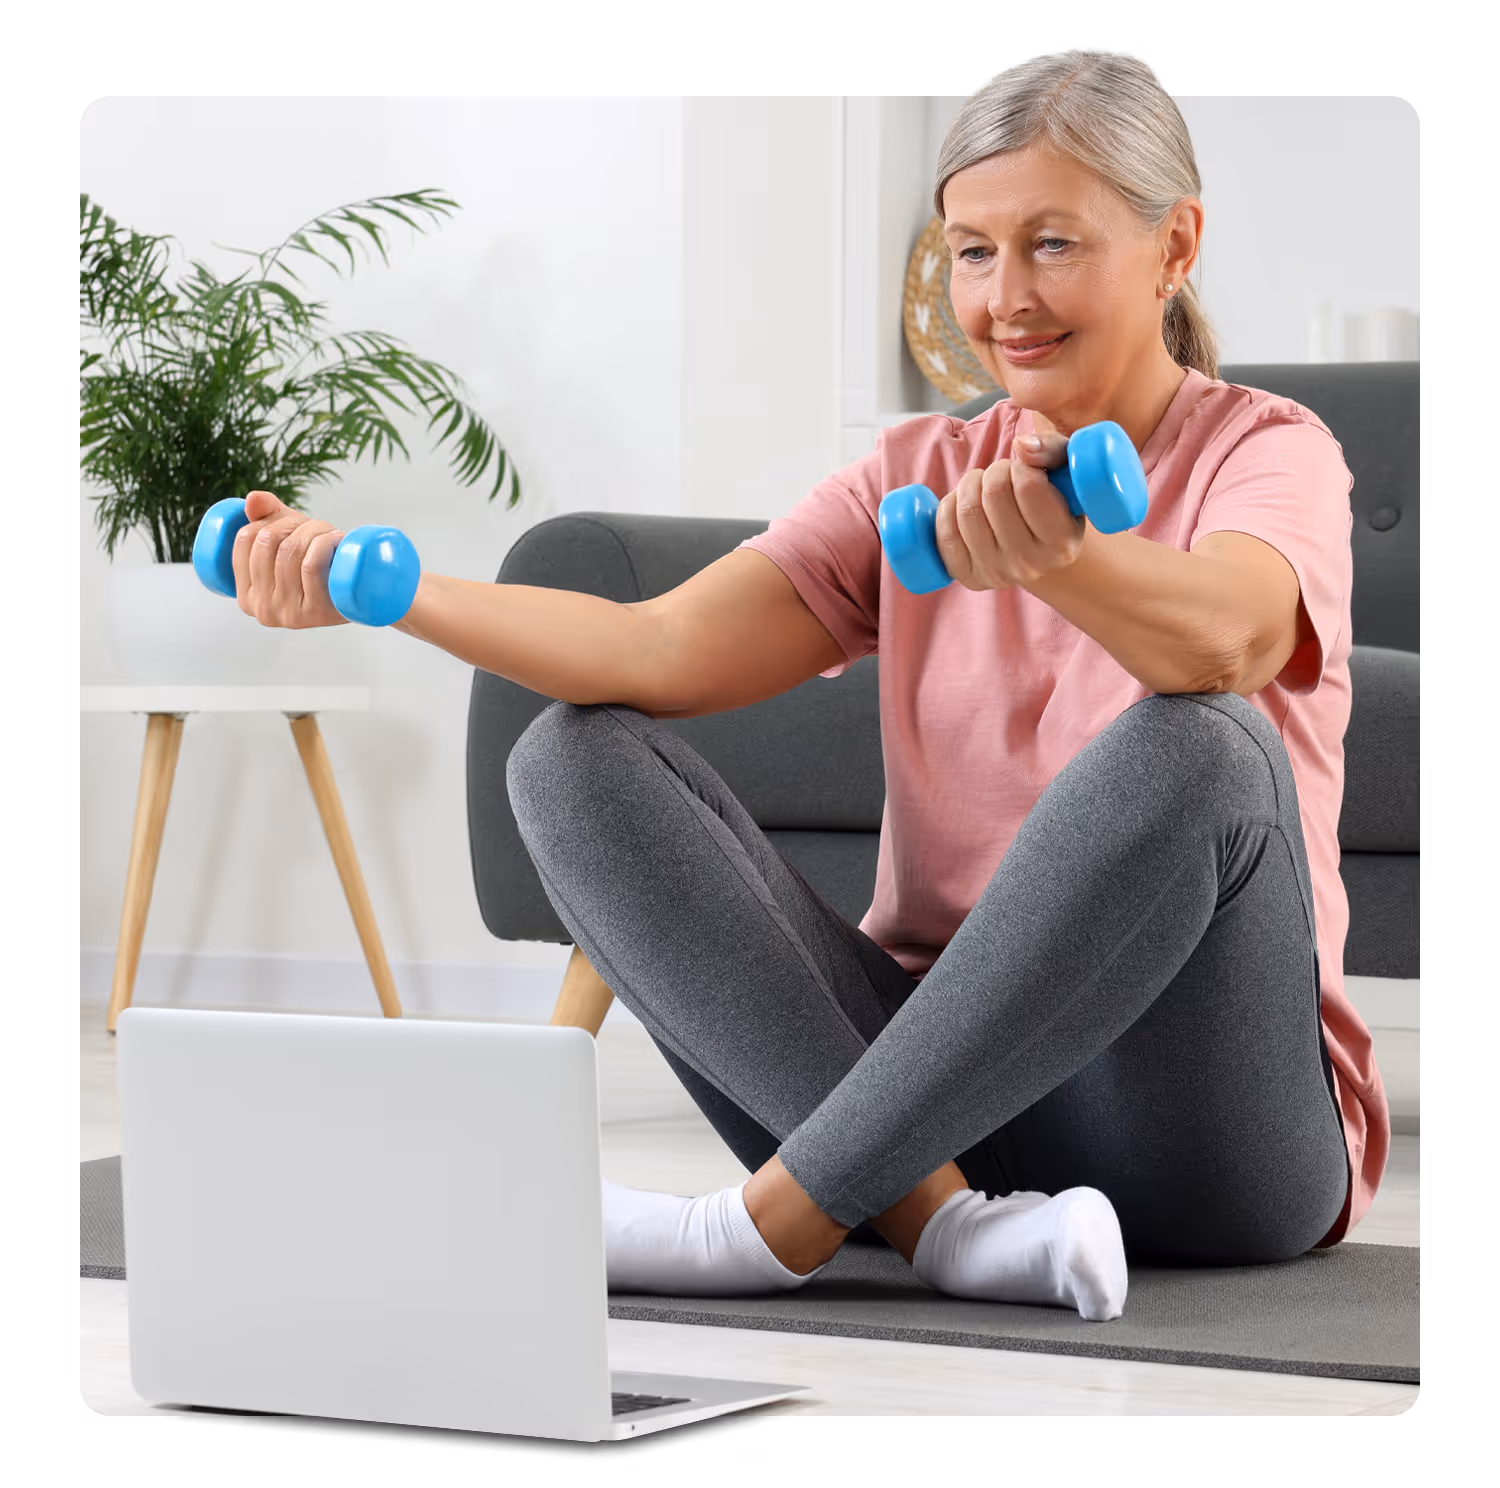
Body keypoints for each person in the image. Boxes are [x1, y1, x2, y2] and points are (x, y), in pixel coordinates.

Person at [227, 44, 1388, 1323]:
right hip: (918, 1118)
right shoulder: (915, 469)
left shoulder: (1267, 449)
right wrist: (376, 591)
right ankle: (948, 1226)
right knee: (565, 757)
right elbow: (656, 649)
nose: (1004, 297)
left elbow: (1221, 643)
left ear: (1176, 246)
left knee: (1208, 750)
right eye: (971, 250)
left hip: (1200, 1133)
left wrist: (1064, 564)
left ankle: (768, 1226)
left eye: (1053, 243)